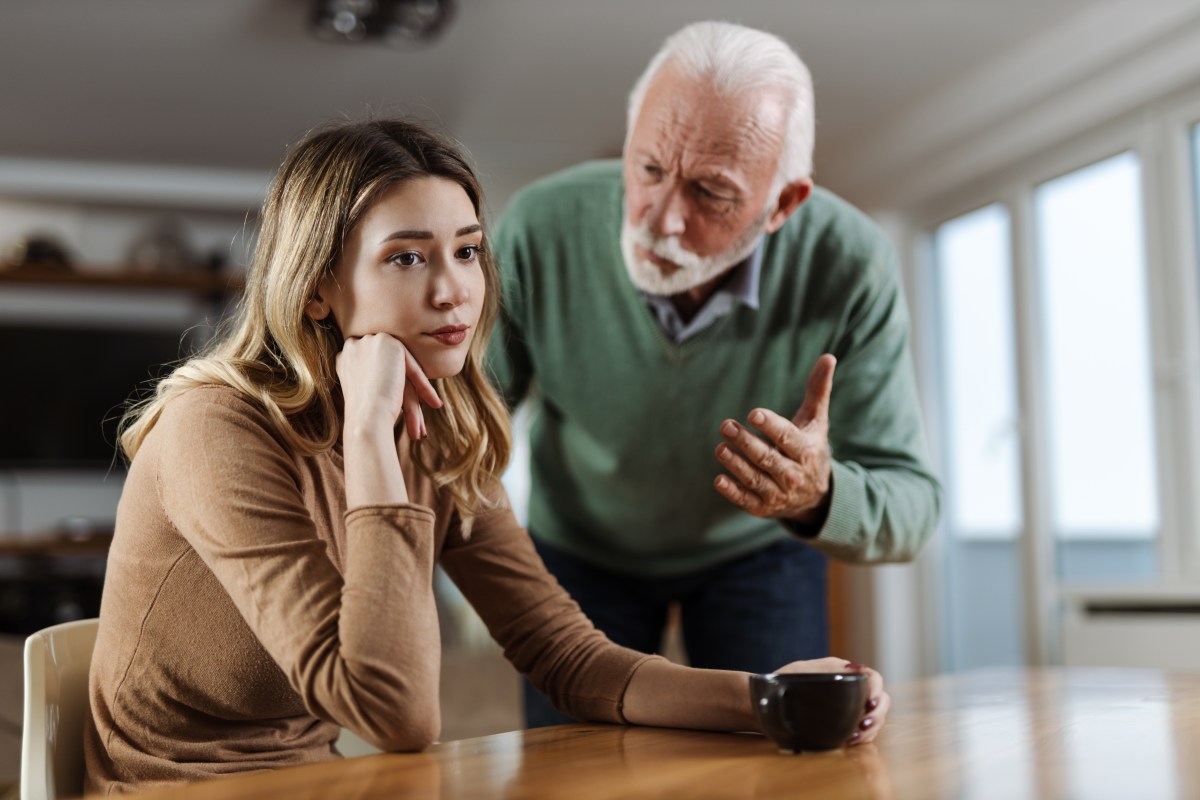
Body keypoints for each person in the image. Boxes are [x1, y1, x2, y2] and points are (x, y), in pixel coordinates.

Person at [82, 118, 890, 795]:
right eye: (407, 257)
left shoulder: (443, 430)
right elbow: (393, 713)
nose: (453, 291)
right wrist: (369, 442)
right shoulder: (215, 428)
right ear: (317, 287)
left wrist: (773, 697)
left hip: (317, 780)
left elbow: (569, 657)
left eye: (467, 251)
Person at [486, 21, 942, 728]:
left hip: (756, 555)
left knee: (777, 758)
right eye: (647, 169)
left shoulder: (852, 263)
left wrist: (819, 495)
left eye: (711, 192)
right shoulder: (538, 226)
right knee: (573, 768)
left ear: (783, 204)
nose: (663, 220)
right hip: (578, 547)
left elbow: (913, 505)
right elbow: (466, 420)